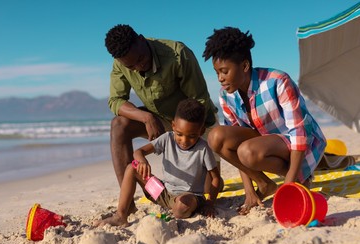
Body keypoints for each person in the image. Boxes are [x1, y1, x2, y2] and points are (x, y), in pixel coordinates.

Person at [202, 26, 327, 215]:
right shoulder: (225, 96)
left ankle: (298, 178)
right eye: (217, 72)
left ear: (244, 66)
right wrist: (249, 191)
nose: (220, 78)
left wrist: (290, 185)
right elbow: (233, 147)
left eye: (224, 71)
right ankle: (264, 184)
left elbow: (299, 133)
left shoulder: (277, 81)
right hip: (262, 143)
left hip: (301, 144)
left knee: (248, 151)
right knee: (216, 137)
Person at [104, 24, 219, 212]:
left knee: (205, 191)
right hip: (161, 122)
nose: (138, 67)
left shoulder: (177, 54)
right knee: (118, 125)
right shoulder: (121, 63)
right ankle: (128, 206)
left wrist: (189, 141)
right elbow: (115, 101)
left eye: (140, 59)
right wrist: (146, 117)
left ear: (142, 39)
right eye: (130, 66)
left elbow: (199, 100)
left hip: (194, 123)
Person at [94, 99, 222, 227]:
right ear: (173, 126)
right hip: (163, 193)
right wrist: (142, 161)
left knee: (181, 207)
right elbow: (138, 152)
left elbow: (215, 178)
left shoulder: (203, 149)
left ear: (201, 131)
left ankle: (178, 210)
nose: (184, 140)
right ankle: (121, 215)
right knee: (132, 167)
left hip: (190, 197)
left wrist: (209, 203)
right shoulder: (167, 138)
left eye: (192, 136)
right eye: (179, 134)